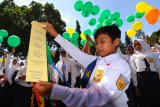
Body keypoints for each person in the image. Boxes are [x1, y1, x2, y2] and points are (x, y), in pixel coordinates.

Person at [36, 23, 131, 107]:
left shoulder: (121, 66)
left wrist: (55, 91)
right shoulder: (97, 60)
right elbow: (76, 53)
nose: (98, 46)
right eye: (97, 43)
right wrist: (55, 34)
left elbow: (100, 95)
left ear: (116, 42)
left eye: (103, 42)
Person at [130, 39, 160, 107]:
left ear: (143, 44)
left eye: (138, 44)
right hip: (141, 79)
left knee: (156, 97)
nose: (136, 46)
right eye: (135, 45)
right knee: (145, 98)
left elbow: (158, 68)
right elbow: (133, 72)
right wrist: (135, 86)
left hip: (153, 78)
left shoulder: (153, 54)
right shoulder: (133, 57)